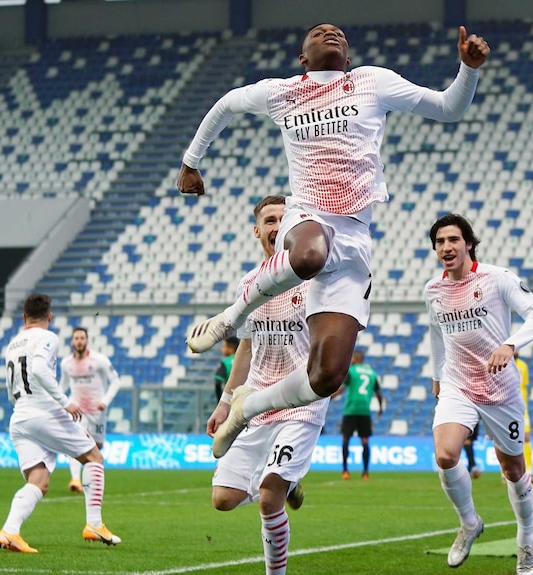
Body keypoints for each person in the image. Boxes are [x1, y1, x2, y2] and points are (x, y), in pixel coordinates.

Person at [175, 23, 490, 459]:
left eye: (339, 32)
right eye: (319, 31)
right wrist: (191, 162)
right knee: (308, 254)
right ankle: (229, 318)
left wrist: (468, 69)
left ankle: (250, 406)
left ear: (348, 53)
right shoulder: (281, 91)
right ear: (302, 57)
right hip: (306, 214)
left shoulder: (371, 81)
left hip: (355, 238)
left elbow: (447, 107)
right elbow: (225, 104)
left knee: (326, 376)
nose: (331, 32)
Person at [206, 195, 329, 575]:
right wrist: (225, 403)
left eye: (282, 219)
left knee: (267, 496)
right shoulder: (250, 283)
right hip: (254, 403)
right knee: (223, 499)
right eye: (269, 220)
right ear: (257, 230)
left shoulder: (313, 282)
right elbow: (245, 347)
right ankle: (289, 485)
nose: (276, 226)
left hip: (301, 401)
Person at [424, 214, 533, 575]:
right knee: (445, 454)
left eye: (453, 240)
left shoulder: (497, 278)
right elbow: (435, 333)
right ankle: (469, 523)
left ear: (468, 243)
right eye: (440, 242)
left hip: (500, 388)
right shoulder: (433, 290)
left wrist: (510, 345)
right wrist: (436, 375)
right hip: (457, 385)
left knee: (512, 469)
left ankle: (526, 540)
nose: (447, 247)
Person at [0, 294, 120, 553]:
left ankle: (9, 531)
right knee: (94, 457)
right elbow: (40, 370)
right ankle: (95, 524)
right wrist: (65, 401)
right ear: (49, 316)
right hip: (44, 413)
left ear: (23, 317)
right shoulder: (48, 337)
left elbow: (10, 389)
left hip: (19, 416)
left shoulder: (12, 344)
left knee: (38, 480)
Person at [59, 327, 122, 494]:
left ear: (86, 341)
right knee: (76, 443)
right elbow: (63, 385)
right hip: (77, 410)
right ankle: (75, 480)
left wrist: (105, 401)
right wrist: (58, 401)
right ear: (72, 342)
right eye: (76, 338)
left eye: (82, 338)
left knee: (96, 447)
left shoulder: (99, 360)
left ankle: (89, 479)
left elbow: (116, 381)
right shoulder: (66, 363)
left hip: (96, 410)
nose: (79, 341)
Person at [333, 349, 382, 480]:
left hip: (351, 410)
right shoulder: (372, 373)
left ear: (356, 358)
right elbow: (379, 393)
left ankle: (345, 471)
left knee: (345, 439)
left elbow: (341, 389)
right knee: (365, 441)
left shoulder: (351, 371)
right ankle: (365, 472)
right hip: (365, 411)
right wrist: (381, 408)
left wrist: (329, 397)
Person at [514, 350, 533, 484]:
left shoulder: (523, 366)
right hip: (506, 407)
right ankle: (506, 472)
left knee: (525, 438)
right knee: (506, 439)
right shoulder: (502, 364)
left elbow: (523, 386)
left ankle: (529, 471)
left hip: (522, 408)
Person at [214, 336, 240, 400]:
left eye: (224, 346)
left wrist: (219, 400)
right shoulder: (246, 360)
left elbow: (218, 382)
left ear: (230, 349)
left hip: (231, 399)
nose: (222, 349)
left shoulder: (225, 362)